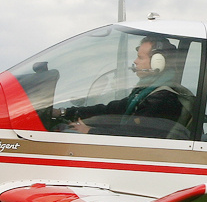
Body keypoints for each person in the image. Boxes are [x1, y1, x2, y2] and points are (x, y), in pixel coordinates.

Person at [58, 37, 192, 137]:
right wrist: (65, 112)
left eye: (140, 57)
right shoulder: (144, 93)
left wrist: (90, 131)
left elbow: (133, 136)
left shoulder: (162, 99)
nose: (135, 61)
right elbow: (111, 109)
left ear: (158, 63)